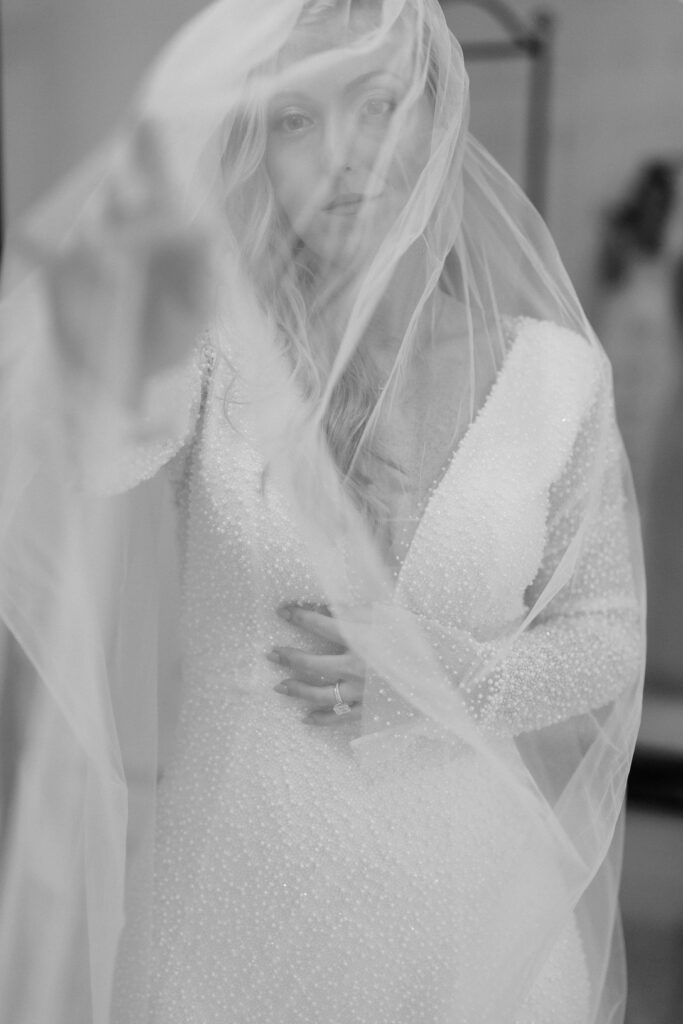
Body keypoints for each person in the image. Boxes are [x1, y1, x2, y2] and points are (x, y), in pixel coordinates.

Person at [0, 1, 645, 1023]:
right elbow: (44, 445)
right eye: (294, 119)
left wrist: (450, 678)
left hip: (482, 933)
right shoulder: (208, 349)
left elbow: (606, 634)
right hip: (229, 929)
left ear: (434, 122)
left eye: (376, 103)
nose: (340, 154)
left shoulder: (553, 378)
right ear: (252, 144)